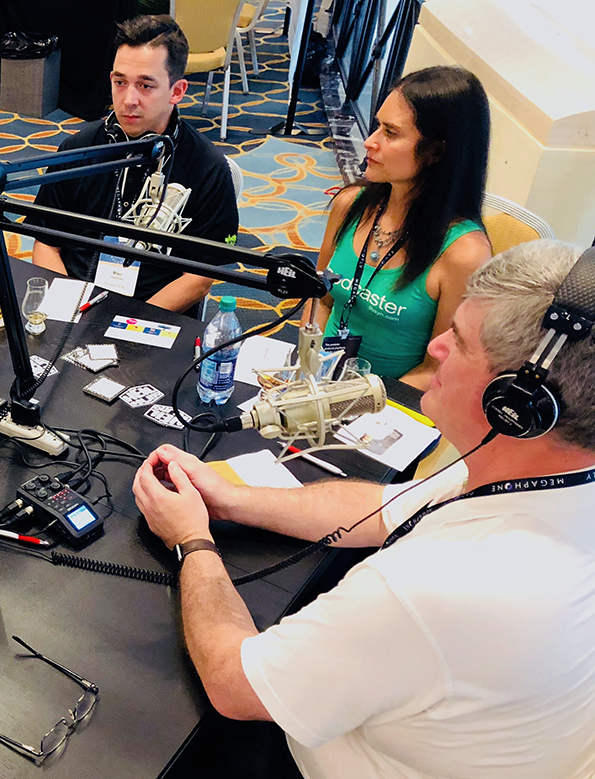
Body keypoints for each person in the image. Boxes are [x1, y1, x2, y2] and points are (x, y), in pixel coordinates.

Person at [134, 239, 595, 778]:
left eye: (462, 342)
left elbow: (235, 685)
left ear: (516, 403)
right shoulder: (547, 469)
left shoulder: (435, 589)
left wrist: (192, 540)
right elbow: (385, 506)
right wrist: (229, 498)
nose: (438, 346)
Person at [31, 14, 238, 314]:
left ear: (177, 91)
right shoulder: (77, 150)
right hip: (74, 305)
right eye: (120, 82)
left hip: (153, 314)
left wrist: (127, 324)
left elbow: (200, 277)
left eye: (145, 86)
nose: (128, 99)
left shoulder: (207, 167)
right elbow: (46, 242)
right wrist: (67, 309)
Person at [313, 66, 492, 389]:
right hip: (320, 380)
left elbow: (437, 367)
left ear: (437, 152)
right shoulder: (350, 204)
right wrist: (309, 368)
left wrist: (352, 403)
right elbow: (321, 301)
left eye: (390, 133)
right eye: (377, 126)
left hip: (392, 406)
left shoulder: (464, 254)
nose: (369, 142)